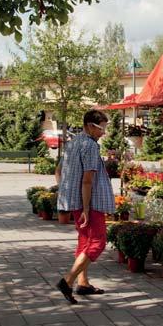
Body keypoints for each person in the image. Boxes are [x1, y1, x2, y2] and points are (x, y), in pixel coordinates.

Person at [55, 110, 115, 304]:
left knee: (85, 240)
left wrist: (66, 192)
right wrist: (87, 208)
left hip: (75, 200)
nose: (104, 132)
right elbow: (88, 180)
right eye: (101, 128)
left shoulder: (73, 142)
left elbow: (58, 171)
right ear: (90, 125)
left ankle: (83, 283)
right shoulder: (89, 145)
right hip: (89, 202)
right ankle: (68, 280)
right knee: (98, 242)